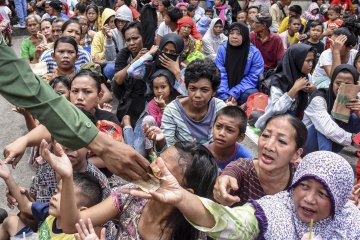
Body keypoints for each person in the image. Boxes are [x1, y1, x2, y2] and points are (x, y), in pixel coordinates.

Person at [0, 41, 150, 182]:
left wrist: (81, 160)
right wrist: (24, 140)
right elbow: (48, 127)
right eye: (75, 91)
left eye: (87, 92)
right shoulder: (64, 115)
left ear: (99, 96)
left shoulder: (106, 120)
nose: (79, 97)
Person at [125, 150, 360, 239]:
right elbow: (229, 223)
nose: (309, 199)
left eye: (323, 194)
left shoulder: (352, 223)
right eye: (305, 186)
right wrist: (181, 197)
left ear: (339, 199)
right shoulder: (274, 210)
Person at [43, 141, 218, 240]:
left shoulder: (195, 234)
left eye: (165, 171)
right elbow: (69, 224)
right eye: (157, 160)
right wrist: (67, 178)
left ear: (186, 193)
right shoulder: (132, 195)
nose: (152, 168)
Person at [213, 113, 304, 207]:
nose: (268, 146)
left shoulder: (302, 176)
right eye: (265, 135)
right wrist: (223, 185)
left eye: (281, 141)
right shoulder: (243, 168)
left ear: (296, 154)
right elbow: (231, 173)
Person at [0, 156, 103, 239]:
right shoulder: (51, 213)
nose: (55, 197)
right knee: (11, 221)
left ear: (82, 210)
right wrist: (8, 177)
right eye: (56, 192)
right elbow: (25, 206)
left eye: (64, 198)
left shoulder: (76, 235)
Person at [161, 59, 226, 145]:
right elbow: (167, 148)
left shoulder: (220, 108)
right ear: (187, 88)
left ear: (213, 92)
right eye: (193, 89)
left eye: (204, 90)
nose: (197, 95)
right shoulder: (172, 111)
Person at [255, 44, 316, 129]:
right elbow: (276, 109)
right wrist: (294, 89)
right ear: (297, 60)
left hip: (297, 119)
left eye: (312, 61)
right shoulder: (279, 80)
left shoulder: (307, 76)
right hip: (276, 122)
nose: (311, 64)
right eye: (307, 61)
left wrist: (313, 90)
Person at [303, 64, 360, 155]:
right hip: (307, 145)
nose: (341, 87)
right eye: (338, 83)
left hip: (332, 143)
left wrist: (358, 113)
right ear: (332, 83)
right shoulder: (319, 98)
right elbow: (328, 129)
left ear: (355, 86)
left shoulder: (355, 99)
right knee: (325, 125)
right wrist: (353, 139)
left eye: (348, 85)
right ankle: (326, 163)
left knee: (355, 118)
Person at [216, 22, 264, 106]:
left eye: (238, 34)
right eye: (231, 33)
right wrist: (224, 96)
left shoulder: (254, 53)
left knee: (251, 94)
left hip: (243, 89)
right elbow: (220, 73)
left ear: (245, 36)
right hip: (223, 89)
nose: (234, 36)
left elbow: (253, 77)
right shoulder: (223, 49)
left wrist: (235, 92)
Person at [113, 21, 148, 127]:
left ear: (142, 37)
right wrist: (136, 60)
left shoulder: (151, 51)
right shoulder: (124, 54)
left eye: (135, 38)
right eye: (128, 40)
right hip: (128, 95)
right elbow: (118, 79)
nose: (132, 43)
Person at [205, 106, 252, 170]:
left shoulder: (245, 157)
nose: (221, 133)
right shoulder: (201, 153)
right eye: (218, 126)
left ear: (240, 137)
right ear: (212, 128)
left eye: (229, 130)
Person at [103, 5, 133, 81]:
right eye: (118, 21)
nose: (120, 24)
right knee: (109, 68)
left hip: (134, 63)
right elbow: (110, 58)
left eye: (123, 21)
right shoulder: (112, 33)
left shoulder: (135, 32)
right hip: (118, 65)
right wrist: (109, 39)